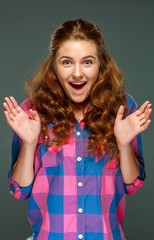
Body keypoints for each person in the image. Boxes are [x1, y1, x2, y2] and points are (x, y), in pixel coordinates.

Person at [3, 18, 152, 240]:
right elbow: (20, 190)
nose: (77, 74)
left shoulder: (121, 109)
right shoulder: (33, 112)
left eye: (87, 62)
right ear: (54, 65)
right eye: (67, 62)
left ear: (101, 65)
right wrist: (30, 144)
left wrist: (123, 144)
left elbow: (132, 184)